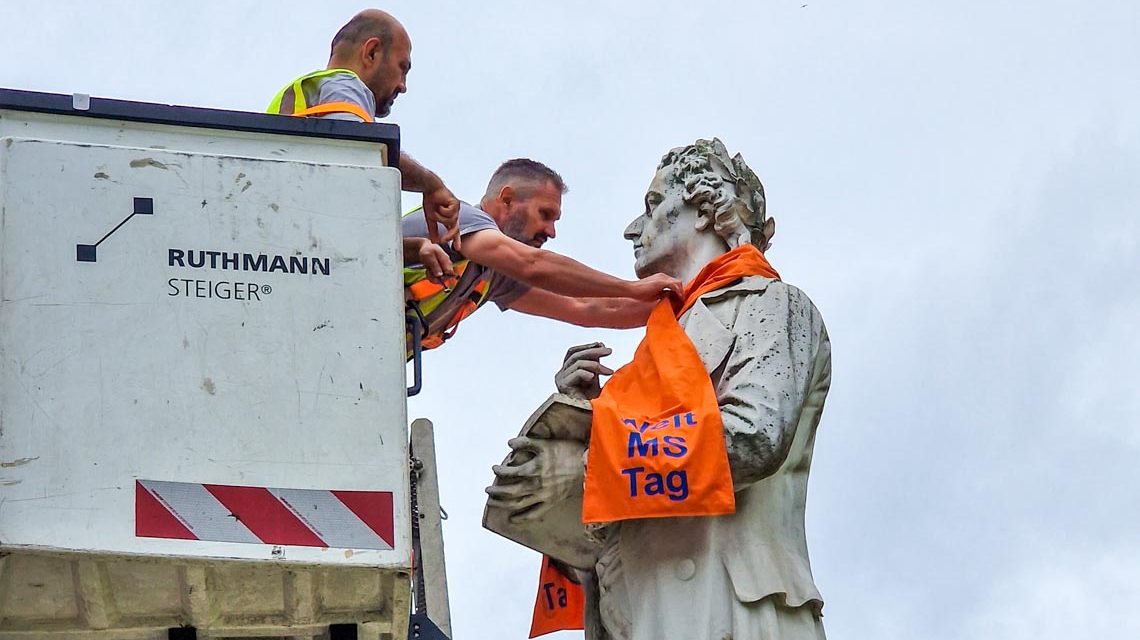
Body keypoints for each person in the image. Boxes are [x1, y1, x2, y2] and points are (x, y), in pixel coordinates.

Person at [487, 139, 832, 639]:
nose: (633, 228)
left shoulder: (772, 306)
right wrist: (577, 421)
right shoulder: (653, 354)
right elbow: (606, 534)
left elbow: (756, 437)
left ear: (704, 210)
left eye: (652, 206)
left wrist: (590, 463)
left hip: (732, 611)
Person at [401, 158, 683, 352]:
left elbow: (585, 308)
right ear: (507, 199)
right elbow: (532, 265)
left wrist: (684, 299)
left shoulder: (491, 276)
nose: (550, 232)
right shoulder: (459, 220)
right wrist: (633, 288)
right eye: (544, 215)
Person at [267, 9, 460, 246]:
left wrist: (414, 248)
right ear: (371, 53)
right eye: (402, 68)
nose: (403, 86)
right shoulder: (343, 84)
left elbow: (333, 227)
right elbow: (358, 148)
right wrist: (431, 183)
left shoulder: (306, 94)